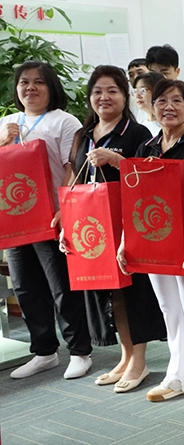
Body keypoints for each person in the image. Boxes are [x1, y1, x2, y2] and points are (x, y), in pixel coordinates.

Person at [121, 79, 184, 413]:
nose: (169, 107)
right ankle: (178, 376)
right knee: (170, 312)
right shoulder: (147, 147)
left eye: (177, 100)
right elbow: (134, 201)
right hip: (154, 244)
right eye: (161, 100)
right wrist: (126, 243)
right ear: (152, 106)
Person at [67, 66, 165, 394]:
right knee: (111, 293)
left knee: (132, 292)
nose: (104, 97)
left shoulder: (136, 135)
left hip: (127, 224)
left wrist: (116, 160)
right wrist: (64, 218)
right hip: (92, 226)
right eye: (97, 91)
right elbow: (75, 181)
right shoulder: (83, 134)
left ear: (125, 96)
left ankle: (140, 360)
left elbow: (147, 179)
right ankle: (125, 356)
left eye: (112, 91)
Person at [2, 62, 93, 381]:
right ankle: (44, 351)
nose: (30, 88)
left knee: (61, 287)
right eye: (24, 82)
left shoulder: (63, 121)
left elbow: (74, 167)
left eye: (39, 82)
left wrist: (64, 207)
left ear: (51, 87)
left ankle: (80, 351)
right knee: (26, 288)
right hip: (15, 221)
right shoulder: (7, 122)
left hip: (51, 217)